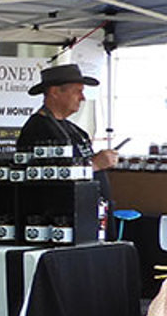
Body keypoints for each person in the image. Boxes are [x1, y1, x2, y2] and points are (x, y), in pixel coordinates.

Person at [17, 62, 116, 207]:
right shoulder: (38, 129)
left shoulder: (75, 129)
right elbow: (46, 179)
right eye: (77, 91)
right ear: (55, 92)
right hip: (62, 217)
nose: (82, 98)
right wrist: (94, 165)